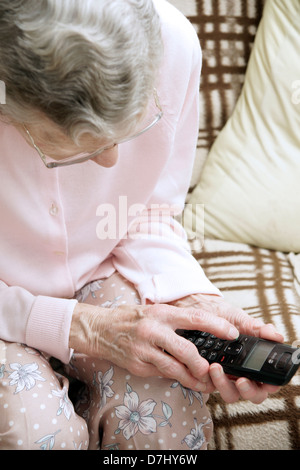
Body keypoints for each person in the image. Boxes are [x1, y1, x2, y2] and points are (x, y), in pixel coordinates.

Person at [0, 0, 283, 451]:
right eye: (75, 148)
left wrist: (193, 297)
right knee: (35, 435)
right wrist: (81, 326)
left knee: (164, 416)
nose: (112, 162)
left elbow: (148, 211)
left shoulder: (173, 43)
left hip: (102, 272)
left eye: (128, 133)